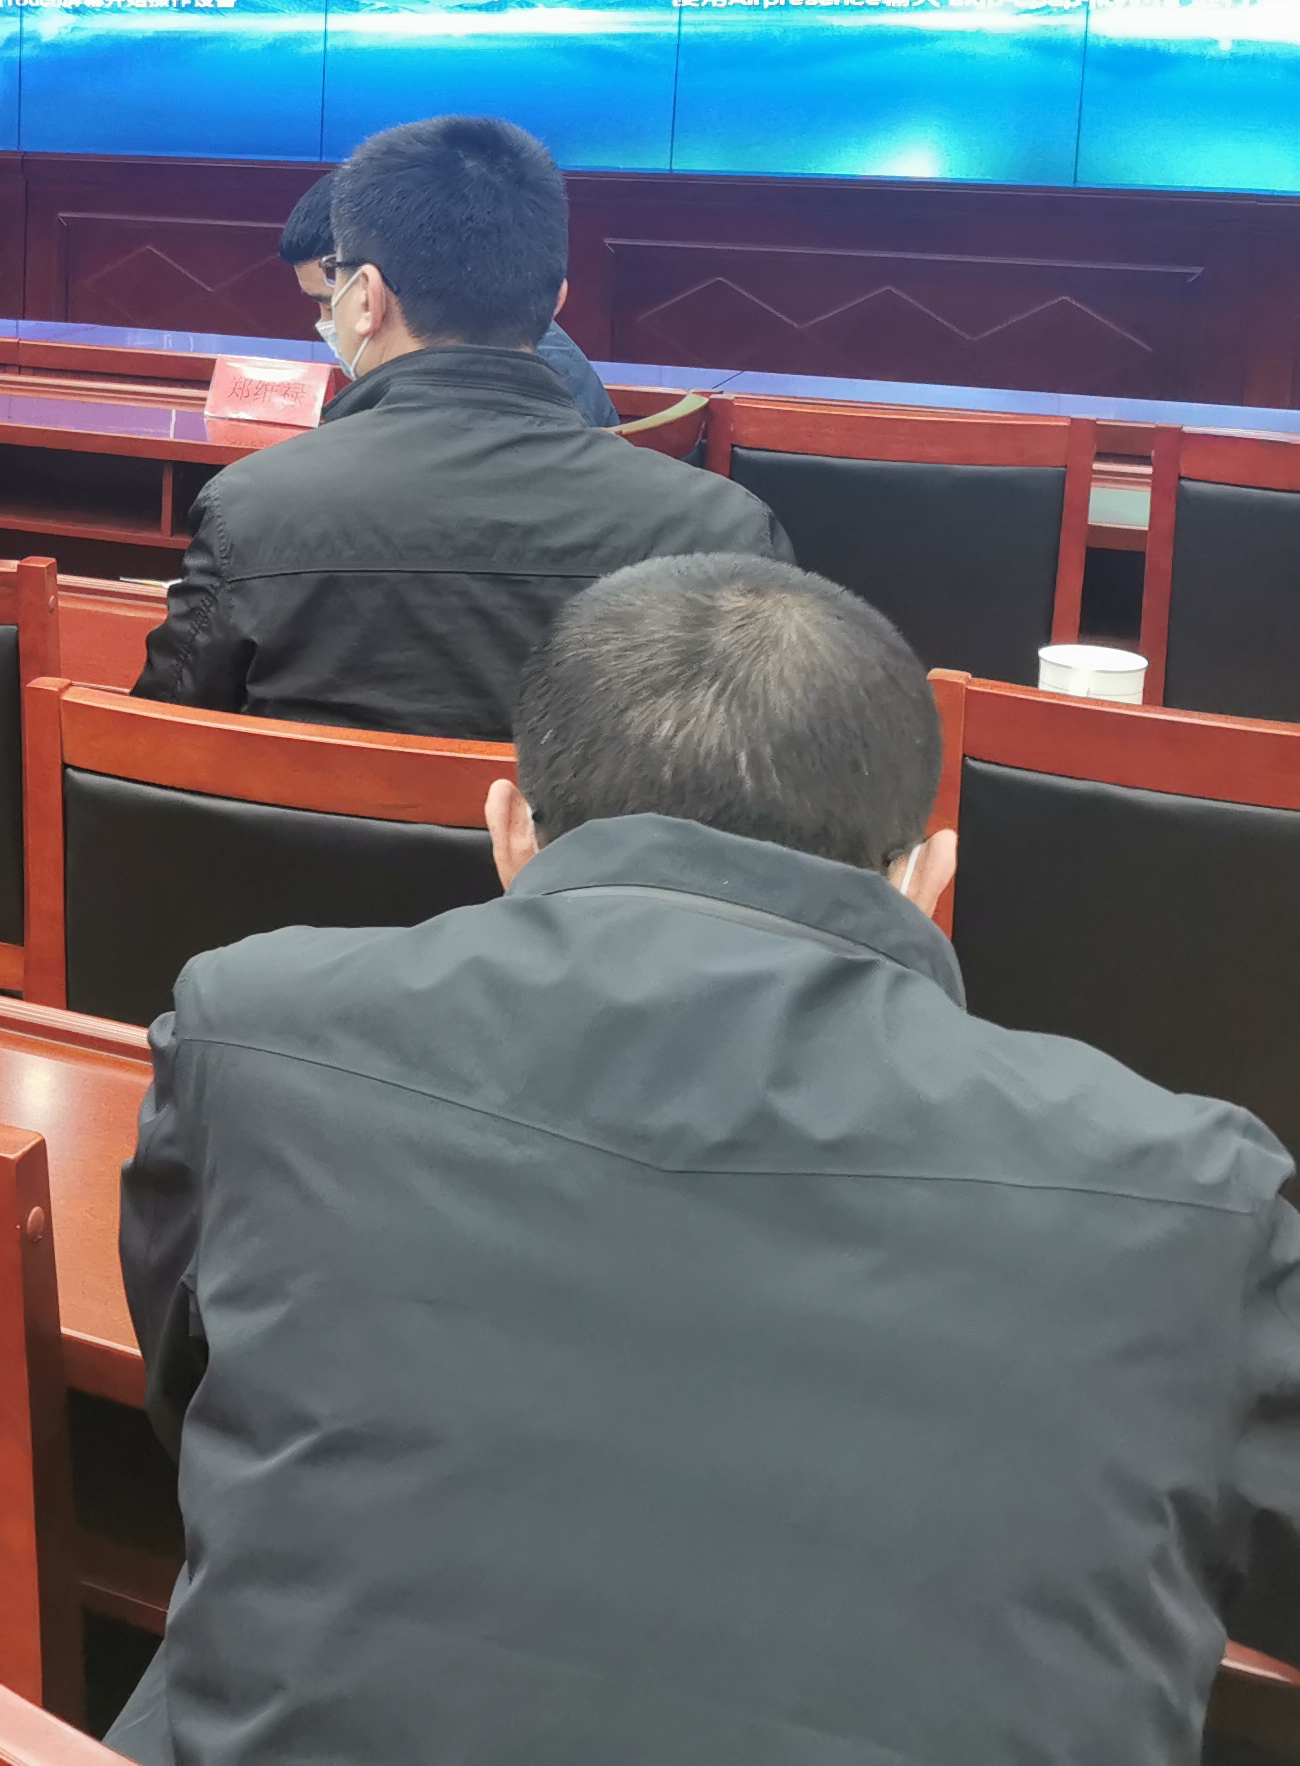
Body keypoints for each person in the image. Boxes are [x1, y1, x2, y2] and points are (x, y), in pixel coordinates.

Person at [112, 553, 1300, 1764]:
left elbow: (187, 1389)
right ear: (929, 882)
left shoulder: (251, 1030)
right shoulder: (1197, 1202)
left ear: (509, 831)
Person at [137, 116, 781, 735]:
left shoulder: (250, 511)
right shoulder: (726, 529)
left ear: (365, 297)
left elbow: (161, 733)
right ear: (556, 300)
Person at [275, 168, 614, 427]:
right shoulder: (477, 340)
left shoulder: (538, 390)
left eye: (329, 302)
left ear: (371, 288)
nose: (325, 323)